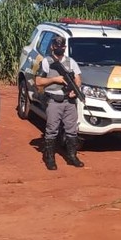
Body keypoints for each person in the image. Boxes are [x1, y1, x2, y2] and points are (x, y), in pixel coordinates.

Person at [35, 35, 84, 170]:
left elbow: (78, 78)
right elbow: (38, 81)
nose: (59, 49)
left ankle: (72, 156)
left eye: (61, 47)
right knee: (51, 130)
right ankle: (49, 158)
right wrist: (54, 79)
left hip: (70, 100)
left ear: (65, 47)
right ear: (52, 47)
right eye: (57, 47)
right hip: (54, 100)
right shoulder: (46, 62)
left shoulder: (71, 62)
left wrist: (75, 89)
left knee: (71, 130)